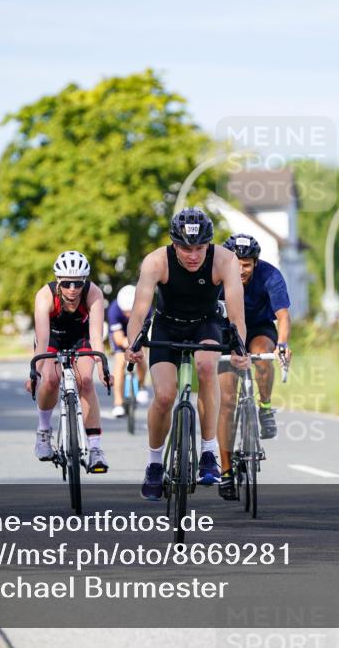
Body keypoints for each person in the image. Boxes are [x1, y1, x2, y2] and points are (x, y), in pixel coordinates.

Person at [124, 208, 250, 501]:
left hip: (205, 324)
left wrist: (239, 348)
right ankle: (155, 463)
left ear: (209, 244)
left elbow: (236, 314)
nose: (193, 255)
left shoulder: (225, 260)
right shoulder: (156, 261)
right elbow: (139, 311)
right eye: (185, 248)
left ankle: (208, 452)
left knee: (207, 367)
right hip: (167, 326)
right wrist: (133, 346)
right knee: (165, 395)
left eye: (199, 248)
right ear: (173, 244)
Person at [215, 233, 293, 500]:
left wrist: (282, 344)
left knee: (263, 354)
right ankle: (225, 473)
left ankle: (265, 407)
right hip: (226, 333)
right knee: (226, 401)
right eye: (236, 262)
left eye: (246, 264)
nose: (241, 269)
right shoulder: (216, 275)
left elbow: (283, 316)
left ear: (255, 263)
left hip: (258, 328)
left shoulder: (270, 275)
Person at [27, 251, 111, 472]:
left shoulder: (93, 294)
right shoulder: (44, 296)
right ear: (58, 282)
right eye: (66, 284)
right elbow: (42, 340)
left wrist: (102, 366)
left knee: (86, 380)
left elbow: (96, 336)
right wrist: (35, 372)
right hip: (52, 337)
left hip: (81, 337)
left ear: (85, 281)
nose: (72, 289)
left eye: (77, 283)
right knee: (51, 380)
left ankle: (95, 449)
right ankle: (44, 431)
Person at [107, 285, 149, 418]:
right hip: (121, 334)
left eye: (131, 311)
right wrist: (126, 343)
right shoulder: (114, 310)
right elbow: (118, 338)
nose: (128, 314)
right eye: (126, 312)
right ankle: (118, 403)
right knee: (119, 362)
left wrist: (137, 345)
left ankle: (141, 386)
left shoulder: (145, 308)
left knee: (140, 356)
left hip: (138, 332)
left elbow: (145, 332)